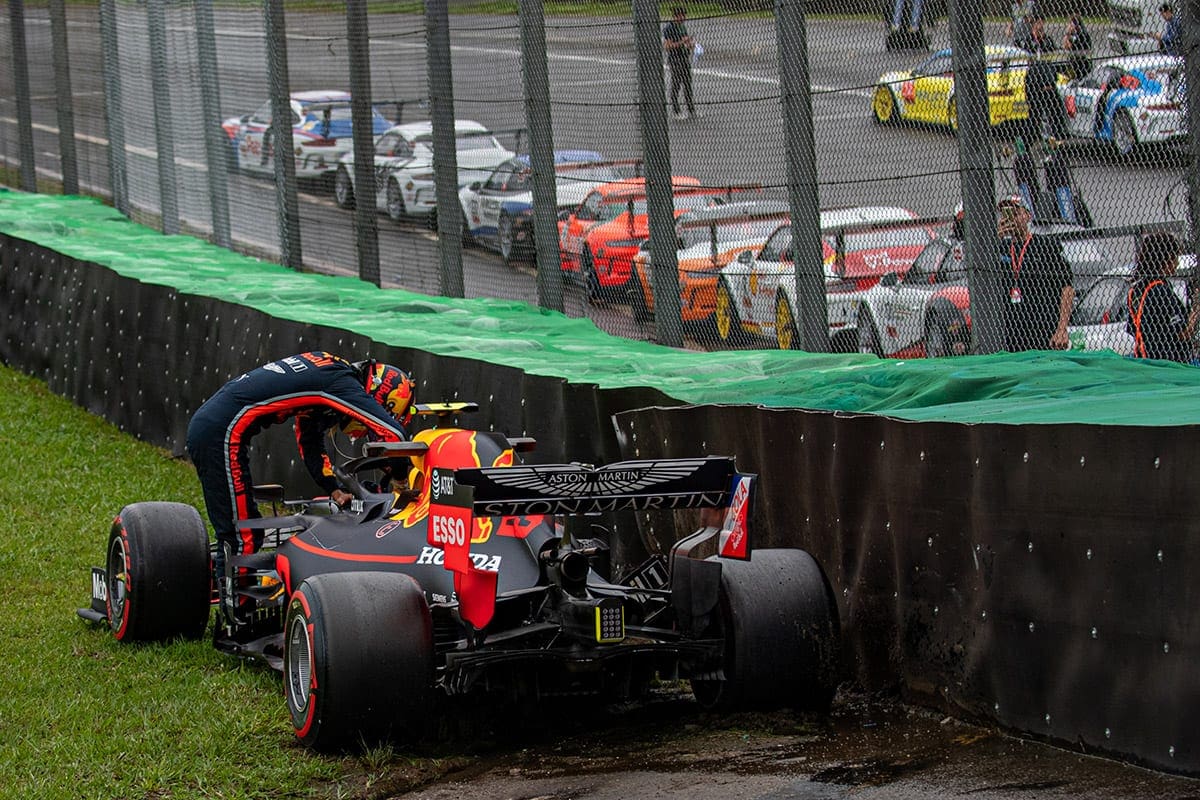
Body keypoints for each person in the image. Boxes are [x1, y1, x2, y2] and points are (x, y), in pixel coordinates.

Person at [186, 352, 415, 578]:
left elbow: (309, 440)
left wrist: (333, 488)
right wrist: (401, 483)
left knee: (242, 532)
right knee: (241, 535)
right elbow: (393, 433)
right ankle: (238, 610)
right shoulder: (340, 382)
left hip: (215, 427)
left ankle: (234, 599)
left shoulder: (329, 370)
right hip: (222, 433)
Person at [995, 195, 1075, 351]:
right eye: (1006, 214)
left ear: (1027, 216)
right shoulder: (999, 247)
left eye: (1016, 213)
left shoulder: (1045, 245)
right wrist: (995, 238)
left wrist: (1062, 328)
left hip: (1043, 331)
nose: (1011, 219)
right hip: (1010, 334)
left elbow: (1067, 288)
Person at [1126, 232, 1191, 361]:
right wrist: (1196, 311)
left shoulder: (1136, 290)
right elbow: (1182, 333)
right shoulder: (1160, 291)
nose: (1177, 263)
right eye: (1175, 257)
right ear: (1166, 259)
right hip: (1170, 361)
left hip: (1146, 358)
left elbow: (1132, 329)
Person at [1020, 16, 1065, 141]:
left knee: (1055, 111)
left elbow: (1053, 57)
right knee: (1034, 114)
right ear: (1033, 27)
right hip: (1034, 83)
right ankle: (1029, 138)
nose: (1041, 31)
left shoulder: (1048, 41)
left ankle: (1057, 136)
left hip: (1048, 81)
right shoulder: (1027, 41)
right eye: (1038, 28)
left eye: (1042, 28)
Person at [663, 5, 696, 120]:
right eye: (681, 15)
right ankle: (676, 111)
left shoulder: (682, 27)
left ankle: (691, 110)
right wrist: (682, 42)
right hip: (675, 59)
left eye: (684, 15)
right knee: (676, 83)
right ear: (676, 16)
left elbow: (686, 40)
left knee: (687, 83)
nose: (684, 18)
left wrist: (691, 45)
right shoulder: (669, 28)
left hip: (684, 57)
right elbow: (667, 46)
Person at [1061, 14, 1092, 81]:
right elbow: (1064, 45)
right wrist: (1068, 34)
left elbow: (1069, 46)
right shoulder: (1073, 34)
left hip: (1082, 64)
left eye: (1071, 25)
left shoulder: (1082, 34)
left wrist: (1068, 33)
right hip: (1074, 62)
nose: (1069, 26)